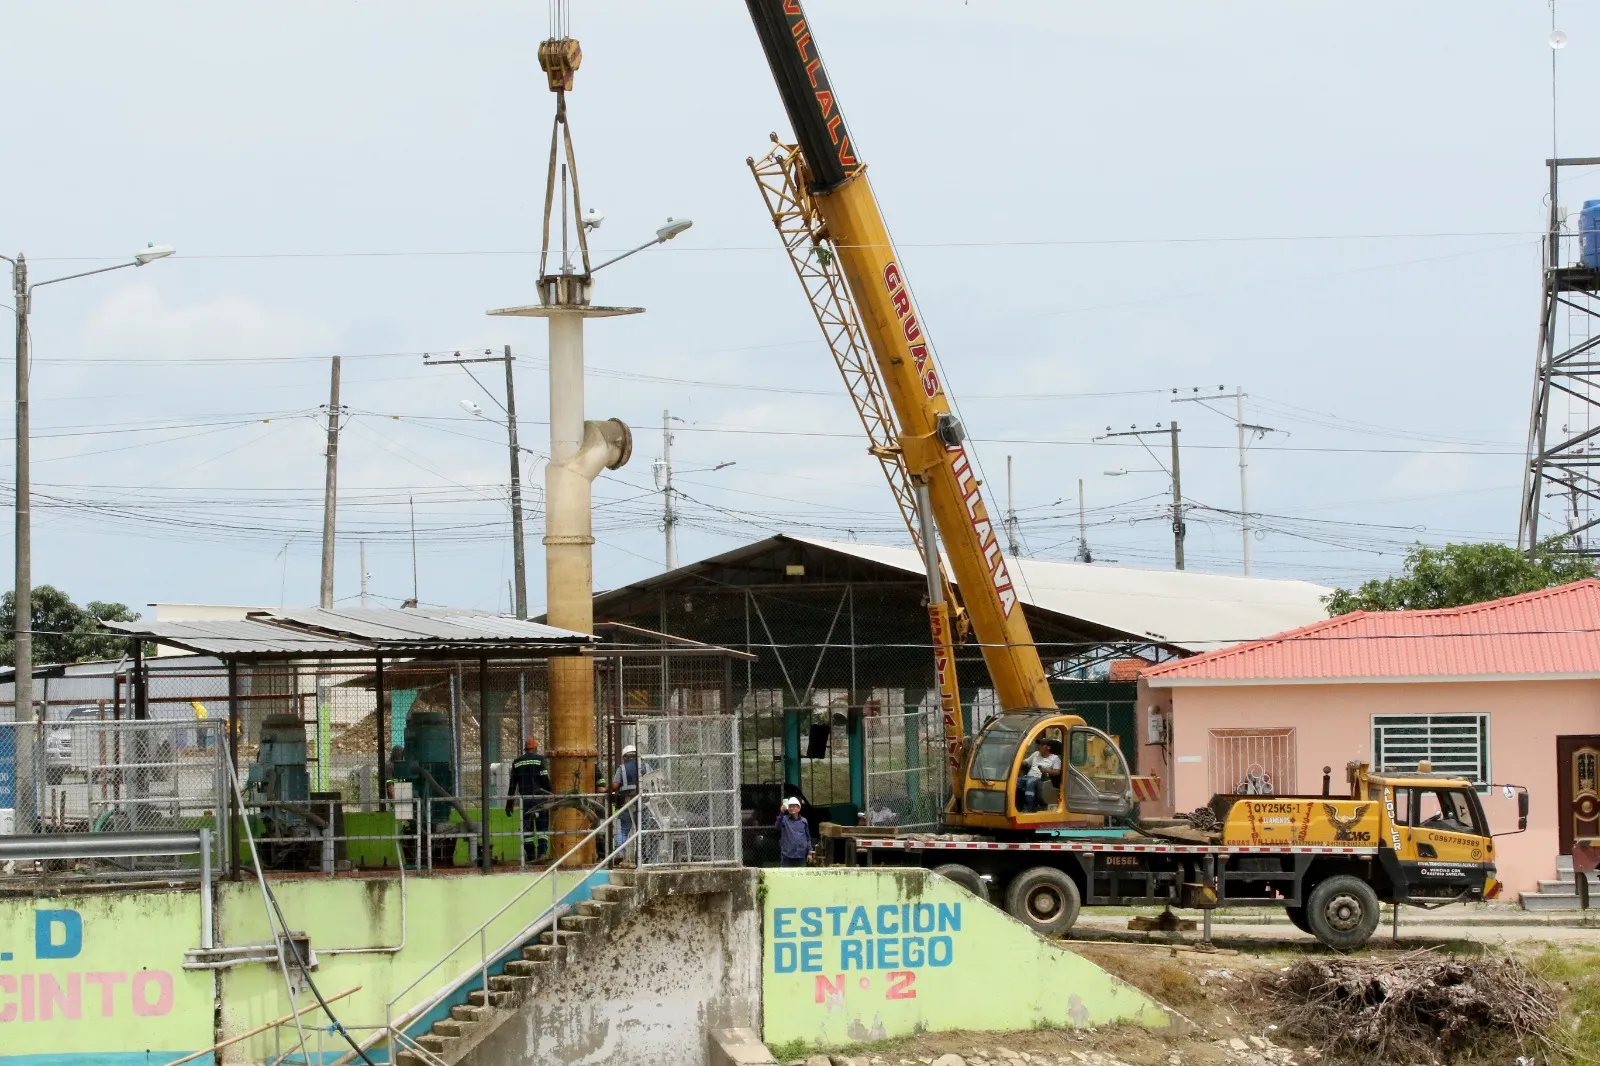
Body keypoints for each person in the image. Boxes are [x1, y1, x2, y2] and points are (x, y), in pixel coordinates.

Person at [505, 738, 552, 861]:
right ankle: (542, 853)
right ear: (535, 748)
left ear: (525, 749)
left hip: (525, 799)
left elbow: (512, 784)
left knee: (527, 827)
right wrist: (551, 794)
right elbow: (544, 778)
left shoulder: (517, 762)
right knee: (542, 826)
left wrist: (509, 803)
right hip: (540, 798)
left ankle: (530, 855)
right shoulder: (540, 759)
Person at [609, 744, 643, 861]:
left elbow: (615, 785)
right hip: (644, 804)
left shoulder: (622, 768)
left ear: (624, 757)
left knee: (623, 829)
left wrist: (607, 790)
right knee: (643, 829)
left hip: (628, 804)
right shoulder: (646, 766)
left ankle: (620, 852)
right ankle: (644, 857)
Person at [1019, 736, 1061, 812]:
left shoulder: (1055, 758)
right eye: (1039, 744)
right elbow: (1025, 762)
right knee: (1014, 782)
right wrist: (1016, 760)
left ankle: (1028, 808)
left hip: (1041, 779)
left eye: (1042, 745)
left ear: (1048, 747)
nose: (1039, 746)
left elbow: (1057, 772)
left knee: (1030, 783)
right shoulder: (1035, 754)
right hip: (1028, 776)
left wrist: (1046, 770)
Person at [776, 796, 811, 867]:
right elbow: (777, 826)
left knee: (801, 873)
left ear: (799, 808)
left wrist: (809, 853)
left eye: (794, 806)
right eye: (790, 806)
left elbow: (808, 837)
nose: (792, 808)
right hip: (787, 855)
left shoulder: (804, 821)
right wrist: (781, 813)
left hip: (801, 854)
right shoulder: (784, 819)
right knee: (786, 873)